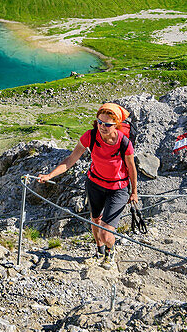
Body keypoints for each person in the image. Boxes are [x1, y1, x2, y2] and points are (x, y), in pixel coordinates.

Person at [36, 102, 138, 267]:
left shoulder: (124, 143)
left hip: (118, 189)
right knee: (95, 220)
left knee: (106, 231)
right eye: (100, 122)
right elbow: (70, 159)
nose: (102, 127)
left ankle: (109, 253)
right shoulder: (90, 136)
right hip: (95, 184)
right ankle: (99, 249)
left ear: (116, 125)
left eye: (107, 124)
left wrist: (134, 192)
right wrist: (50, 175)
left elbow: (132, 169)